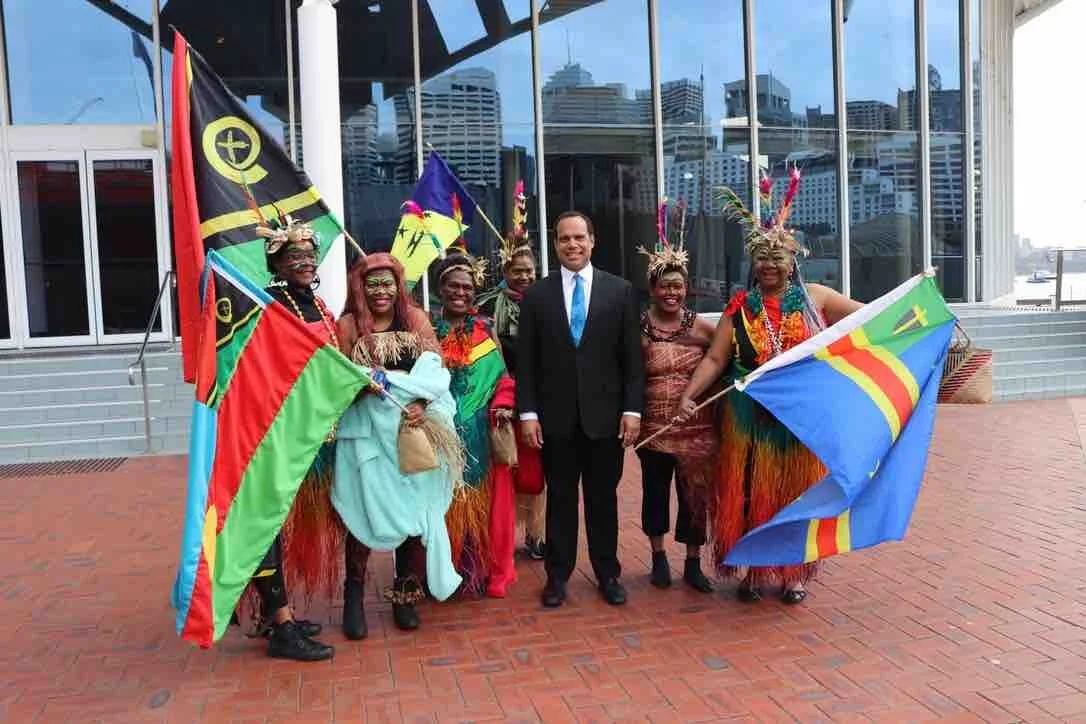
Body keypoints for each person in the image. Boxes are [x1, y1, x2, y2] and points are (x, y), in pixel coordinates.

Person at [674, 171, 862, 604]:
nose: (770, 265)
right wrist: (689, 395)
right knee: (748, 493)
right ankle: (755, 571)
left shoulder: (817, 297)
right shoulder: (739, 308)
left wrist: (912, 308)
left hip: (798, 419)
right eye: (762, 258)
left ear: (792, 261)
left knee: (795, 493)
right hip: (748, 415)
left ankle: (793, 573)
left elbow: (866, 321)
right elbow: (717, 358)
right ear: (752, 263)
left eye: (778, 258)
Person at [516, 210, 644, 608]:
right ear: (555, 244)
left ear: (592, 241)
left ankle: (608, 573)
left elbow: (631, 361)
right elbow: (527, 362)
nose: (572, 245)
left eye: (578, 238)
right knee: (561, 500)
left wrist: (632, 410)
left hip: (605, 420)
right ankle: (557, 576)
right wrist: (528, 414)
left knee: (603, 500)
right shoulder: (537, 295)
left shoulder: (620, 291)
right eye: (563, 239)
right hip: (555, 421)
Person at [333, 252, 463, 636]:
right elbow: (335, 381)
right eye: (372, 284)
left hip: (410, 433)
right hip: (366, 437)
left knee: (414, 511)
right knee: (362, 510)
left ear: (399, 285)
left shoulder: (417, 320)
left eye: (387, 283)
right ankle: (353, 596)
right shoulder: (347, 327)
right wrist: (360, 387)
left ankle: (406, 594)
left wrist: (421, 403)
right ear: (360, 287)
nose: (380, 291)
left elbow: (434, 372)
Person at [235, 214, 335, 661]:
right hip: (272, 430)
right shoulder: (271, 306)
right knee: (266, 525)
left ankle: (279, 611)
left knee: (281, 525)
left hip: (308, 431)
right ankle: (280, 625)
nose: (306, 262)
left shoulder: (315, 303)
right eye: (295, 257)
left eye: (310, 256)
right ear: (276, 264)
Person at [635, 207, 716, 593]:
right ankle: (658, 557)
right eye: (664, 286)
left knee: (694, 497)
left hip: (697, 428)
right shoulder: (637, 329)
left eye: (678, 286)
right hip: (653, 428)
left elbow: (725, 361)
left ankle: (693, 562)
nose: (672, 292)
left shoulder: (703, 327)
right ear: (652, 288)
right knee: (655, 493)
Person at [432, 252, 518, 598]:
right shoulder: (426, 332)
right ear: (440, 289)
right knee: (443, 506)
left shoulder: (486, 330)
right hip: (441, 437)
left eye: (467, 287)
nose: (461, 293)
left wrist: (502, 405)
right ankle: (444, 571)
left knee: (486, 508)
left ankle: (484, 570)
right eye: (454, 285)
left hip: (482, 433)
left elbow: (503, 380)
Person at [475, 183, 546, 561]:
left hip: (540, 396)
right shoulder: (487, 305)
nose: (524, 277)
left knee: (537, 471)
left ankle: (538, 535)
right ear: (504, 270)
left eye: (529, 271)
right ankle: (499, 534)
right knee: (502, 465)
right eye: (517, 271)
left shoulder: (548, 301)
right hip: (499, 395)